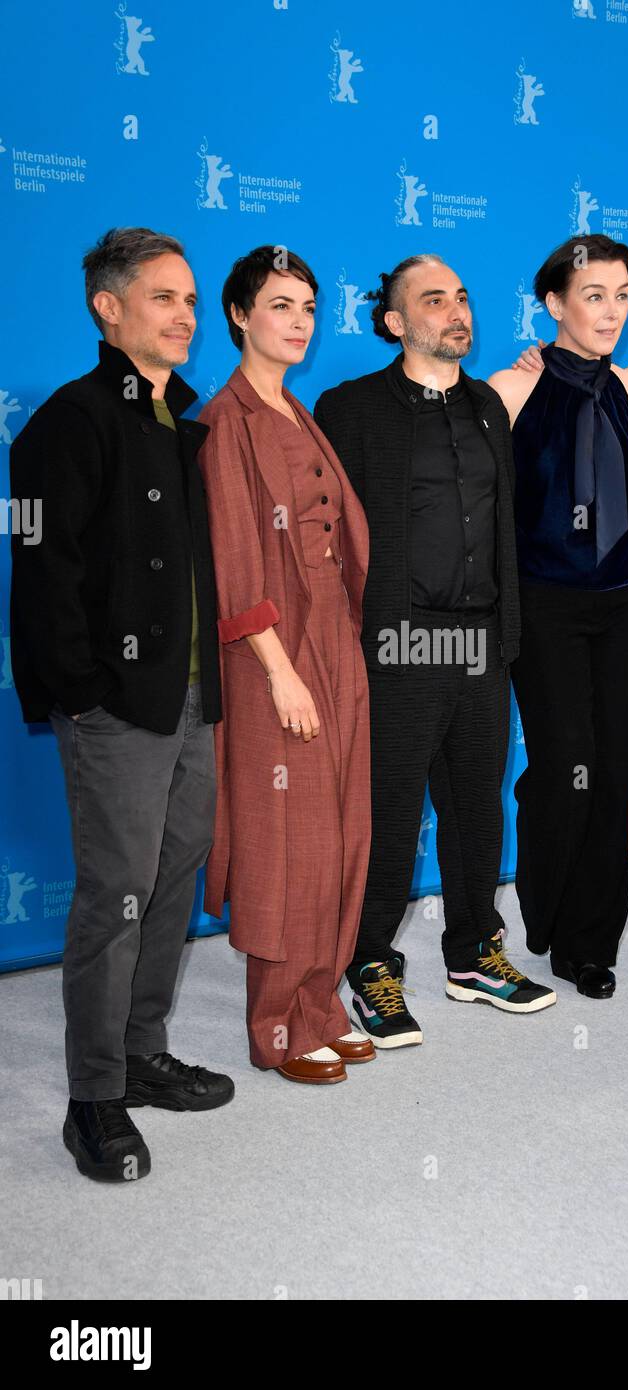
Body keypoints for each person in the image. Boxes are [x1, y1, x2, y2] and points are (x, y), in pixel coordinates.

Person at [9, 227, 233, 1183]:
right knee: (119, 896)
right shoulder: (67, 421)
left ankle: (142, 1057)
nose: (185, 316)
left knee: (175, 878)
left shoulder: (183, 421)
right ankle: (93, 1099)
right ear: (110, 308)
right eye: (163, 298)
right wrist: (84, 696)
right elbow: (39, 570)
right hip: (116, 708)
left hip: (191, 697)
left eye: (189, 299)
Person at [313, 254, 556, 1049]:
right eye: (433, 300)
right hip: (400, 641)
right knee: (388, 813)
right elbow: (325, 539)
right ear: (394, 322)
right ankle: (370, 962)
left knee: (477, 807)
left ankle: (474, 953)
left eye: (461, 296)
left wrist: (507, 635)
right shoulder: (349, 410)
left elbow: (503, 528)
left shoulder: (488, 405)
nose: (456, 310)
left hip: (482, 639)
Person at [197, 246, 373, 1085]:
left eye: (308, 307)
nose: (298, 323)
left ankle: (322, 1007)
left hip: (337, 636)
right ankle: (277, 1027)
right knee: (288, 842)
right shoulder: (223, 423)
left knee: (343, 831)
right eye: (279, 306)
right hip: (274, 652)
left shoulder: (301, 416)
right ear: (240, 314)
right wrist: (279, 670)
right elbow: (235, 564)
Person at [489, 235, 628, 998]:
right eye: (594, 294)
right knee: (565, 768)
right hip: (547, 601)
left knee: (617, 768)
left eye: (622, 293)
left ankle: (592, 944)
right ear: (555, 304)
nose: (612, 310)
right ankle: (545, 903)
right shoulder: (512, 388)